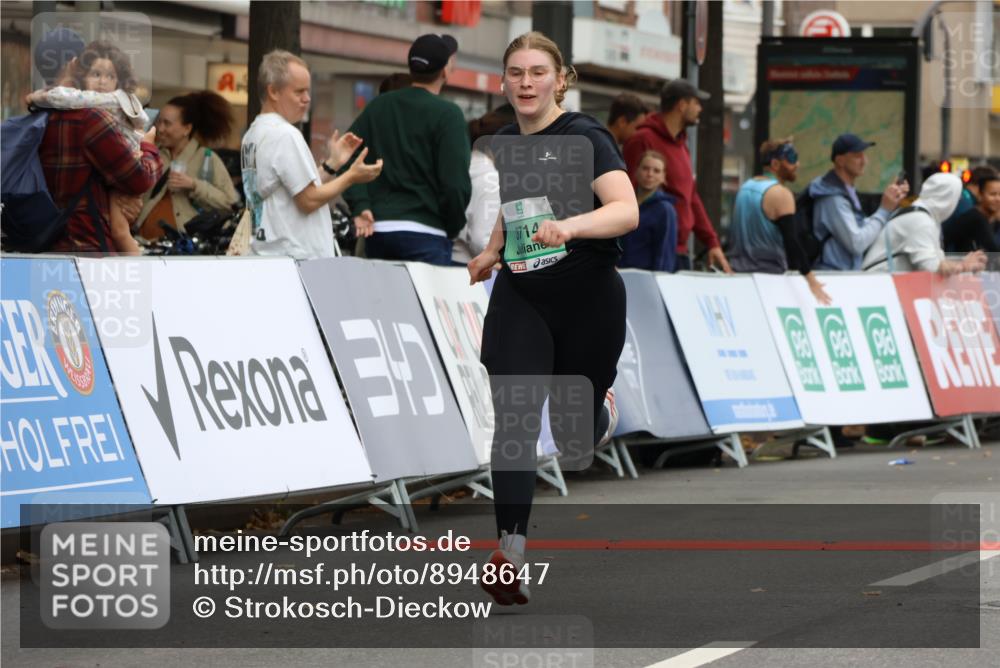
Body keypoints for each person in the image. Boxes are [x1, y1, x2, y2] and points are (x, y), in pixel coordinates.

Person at [467, 31, 638, 606]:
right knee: (514, 418)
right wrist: (493, 250)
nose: (526, 83)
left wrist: (571, 227)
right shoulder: (508, 140)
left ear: (560, 78)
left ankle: (601, 409)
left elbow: (625, 210)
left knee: (572, 440)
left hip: (588, 298)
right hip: (523, 295)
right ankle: (510, 553)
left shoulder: (585, 135)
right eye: (516, 73)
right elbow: (516, 206)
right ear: (503, 81)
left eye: (538, 72)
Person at [343, 34, 472, 266]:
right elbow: (455, 184)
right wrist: (452, 225)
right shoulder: (448, 114)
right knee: (425, 303)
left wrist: (361, 205)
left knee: (382, 302)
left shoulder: (380, 105)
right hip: (428, 232)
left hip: (379, 229)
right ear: (445, 70)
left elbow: (344, 154)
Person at [241, 49, 382, 259]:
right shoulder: (285, 134)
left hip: (270, 254)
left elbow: (294, 188)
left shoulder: (252, 134)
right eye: (299, 92)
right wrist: (352, 176)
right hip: (296, 259)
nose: (307, 99)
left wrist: (332, 165)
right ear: (273, 92)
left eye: (308, 91)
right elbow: (308, 200)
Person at [29, 41, 152, 254]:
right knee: (121, 229)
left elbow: (64, 97)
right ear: (80, 72)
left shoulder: (50, 116)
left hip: (57, 236)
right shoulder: (95, 113)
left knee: (121, 225)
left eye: (110, 77)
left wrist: (36, 98)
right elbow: (140, 178)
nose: (103, 82)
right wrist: (149, 148)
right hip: (91, 241)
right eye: (96, 74)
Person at [623, 79, 731, 272]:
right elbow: (625, 194)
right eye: (696, 103)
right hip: (645, 255)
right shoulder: (642, 139)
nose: (700, 109)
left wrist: (711, 242)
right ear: (682, 105)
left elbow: (692, 197)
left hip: (679, 253)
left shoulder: (682, 145)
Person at [728, 138, 830, 303]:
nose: (797, 164)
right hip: (769, 280)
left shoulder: (745, 187)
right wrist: (810, 279)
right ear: (775, 164)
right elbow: (792, 242)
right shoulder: (781, 194)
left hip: (739, 276)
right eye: (790, 159)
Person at [136, 91, 240, 236]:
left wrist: (194, 185)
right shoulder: (152, 154)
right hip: (143, 244)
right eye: (159, 121)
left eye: (167, 123)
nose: (160, 129)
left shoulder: (206, 158)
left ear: (187, 129)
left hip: (184, 250)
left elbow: (229, 203)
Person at [808, 133, 909, 271]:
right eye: (857, 155)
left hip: (842, 275)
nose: (864, 161)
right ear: (840, 161)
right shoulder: (832, 198)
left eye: (864, 155)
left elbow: (860, 228)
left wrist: (891, 203)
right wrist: (884, 210)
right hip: (833, 277)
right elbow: (857, 243)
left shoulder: (844, 190)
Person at [863, 172, 986, 275]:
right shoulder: (920, 220)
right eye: (956, 199)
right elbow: (931, 267)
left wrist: (962, 263)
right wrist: (964, 265)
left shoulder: (923, 215)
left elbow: (935, 260)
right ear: (948, 198)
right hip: (879, 286)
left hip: (882, 285)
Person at [452, 105, 515, 265]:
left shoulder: (465, 165)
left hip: (452, 258)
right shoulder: (491, 178)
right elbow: (482, 239)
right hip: (470, 268)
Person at [618, 150, 677, 271]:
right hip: (617, 275)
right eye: (645, 168)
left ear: (663, 177)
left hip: (646, 279)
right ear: (636, 171)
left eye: (656, 171)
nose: (650, 174)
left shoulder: (665, 210)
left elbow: (665, 254)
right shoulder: (622, 203)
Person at [943, 169, 1000, 253]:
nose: (998, 199)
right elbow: (995, 250)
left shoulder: (987, 217)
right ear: (980, 195)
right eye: (992, 194)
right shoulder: (976, 217)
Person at [942, 164, 999, 232]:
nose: (997, 199)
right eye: (993, 193)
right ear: (982, 187)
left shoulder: (963, 197)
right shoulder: (967, 206)